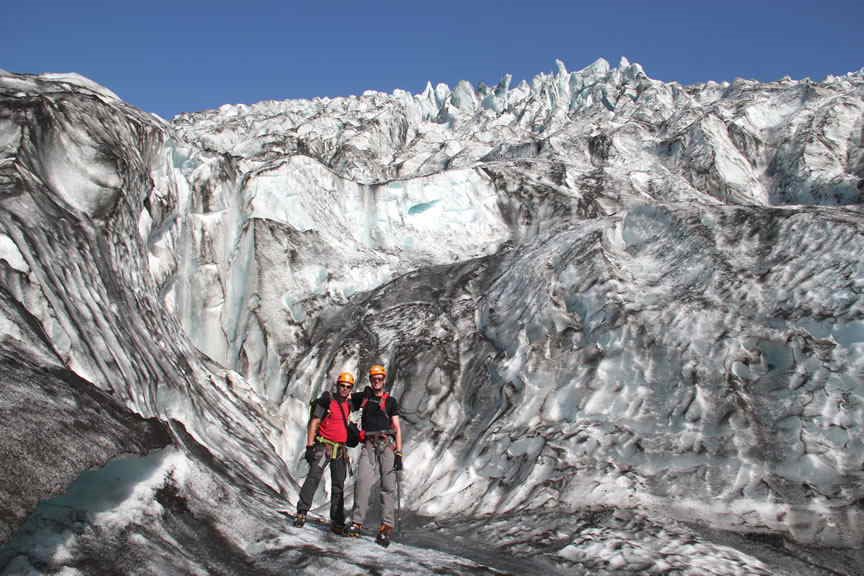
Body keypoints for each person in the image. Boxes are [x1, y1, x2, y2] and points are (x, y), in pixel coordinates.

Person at [345, 364, 403, 547]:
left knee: (388, 486)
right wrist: (351, 427)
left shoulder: (391, 401)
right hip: (368, 444)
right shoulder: (363, 398)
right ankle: (357, 522)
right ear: (370, 380)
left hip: (386, 444)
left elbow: (397, 428)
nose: (376, 381)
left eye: (379, 378)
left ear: (384, 380)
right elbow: (344, 402)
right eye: (374, 378)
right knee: (362, 481)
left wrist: (399, 452)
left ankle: (386, 526)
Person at [294, 371, 357, 534]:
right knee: (314, 477)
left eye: (348, 387)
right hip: (324, 447)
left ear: (351, 389)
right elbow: (314, 422)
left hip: (340, 450)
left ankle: (337, 520)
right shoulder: (327, 402)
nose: (344, 389)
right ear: (337, 385)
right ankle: (302, 511)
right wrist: (309, 446)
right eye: (342, 385)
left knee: (338, 484)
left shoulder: (348, 405)